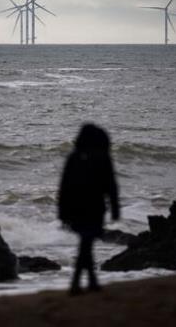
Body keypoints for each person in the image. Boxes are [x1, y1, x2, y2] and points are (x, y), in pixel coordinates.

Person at [57, 123, 119, 295]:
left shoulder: (73, 157)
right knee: (86, 243)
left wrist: (62, 212)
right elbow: (111, 186)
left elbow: (64, 187)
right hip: (94, 209)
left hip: (76, 209)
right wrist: (115, 209)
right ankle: (82, 282)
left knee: (85, 243)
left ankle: (85, 282)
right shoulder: (103, 158)